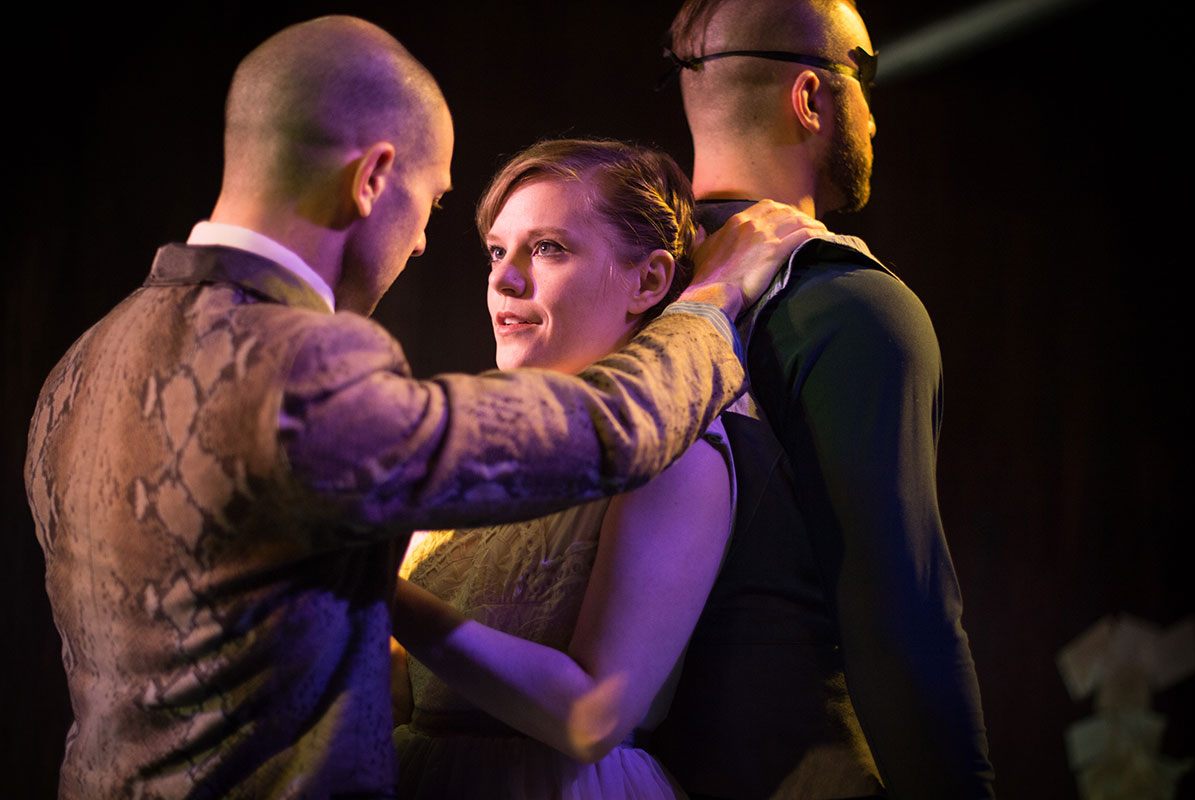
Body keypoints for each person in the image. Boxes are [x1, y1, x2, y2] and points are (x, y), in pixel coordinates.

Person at [22, 16, 821, 799]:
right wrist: (712, 300)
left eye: (546, 247)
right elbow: (602, 431)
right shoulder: (309, 364)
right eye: (432, 204)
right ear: (371, 178)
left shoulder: (81, 363)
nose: (422, 246)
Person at [648, 1, 996, 798]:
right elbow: (900, 621)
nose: (875, 111)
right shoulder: (850, 307)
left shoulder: (620, 297)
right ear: (810, 98)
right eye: (864, 73)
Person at [390, 139, 734, 799]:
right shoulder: (483, 434)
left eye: (548, 247)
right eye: (497, 250)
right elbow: (409, 689)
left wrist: (379, 587)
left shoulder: (679, 451)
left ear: (649, 281)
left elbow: (591, 716)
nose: (504, 279)